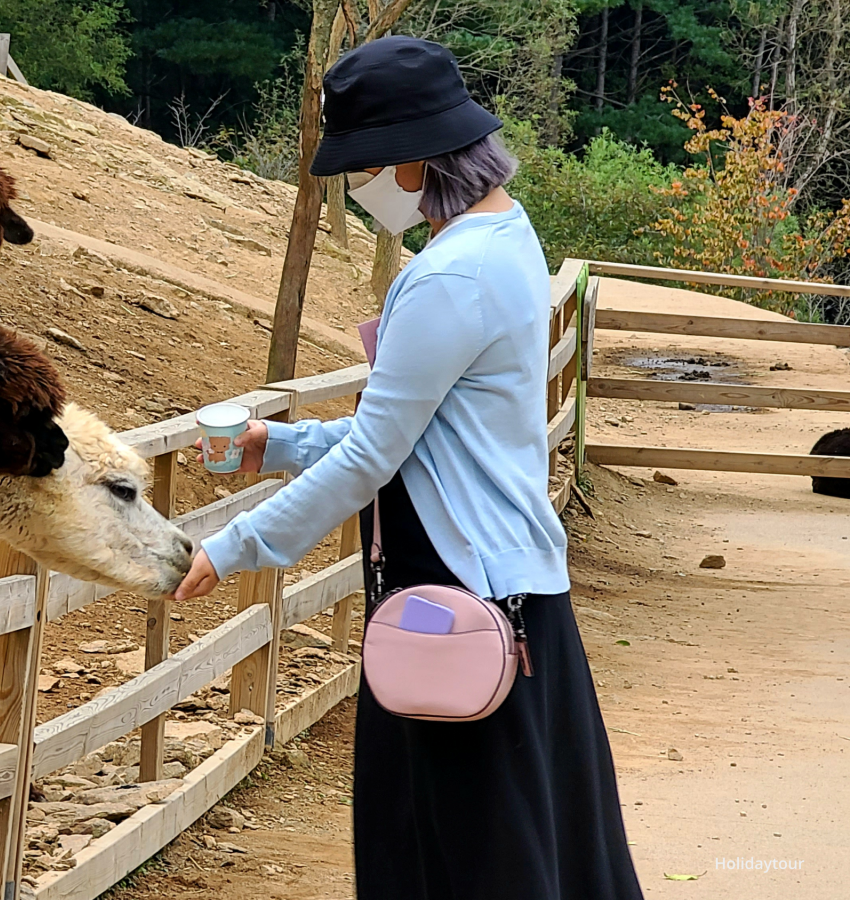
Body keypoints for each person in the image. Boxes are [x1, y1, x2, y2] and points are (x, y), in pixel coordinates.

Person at [173, 36, 644, 900]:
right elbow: (428, 437)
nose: (362, 186)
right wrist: (280, 446)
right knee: (528, 834)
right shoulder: (506, 236)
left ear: (416, 160)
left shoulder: (448, 276)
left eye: (367, 166)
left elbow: (373, 455)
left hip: (455, 592)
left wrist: (234, 546)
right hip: (510, 586)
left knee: (459, 848)